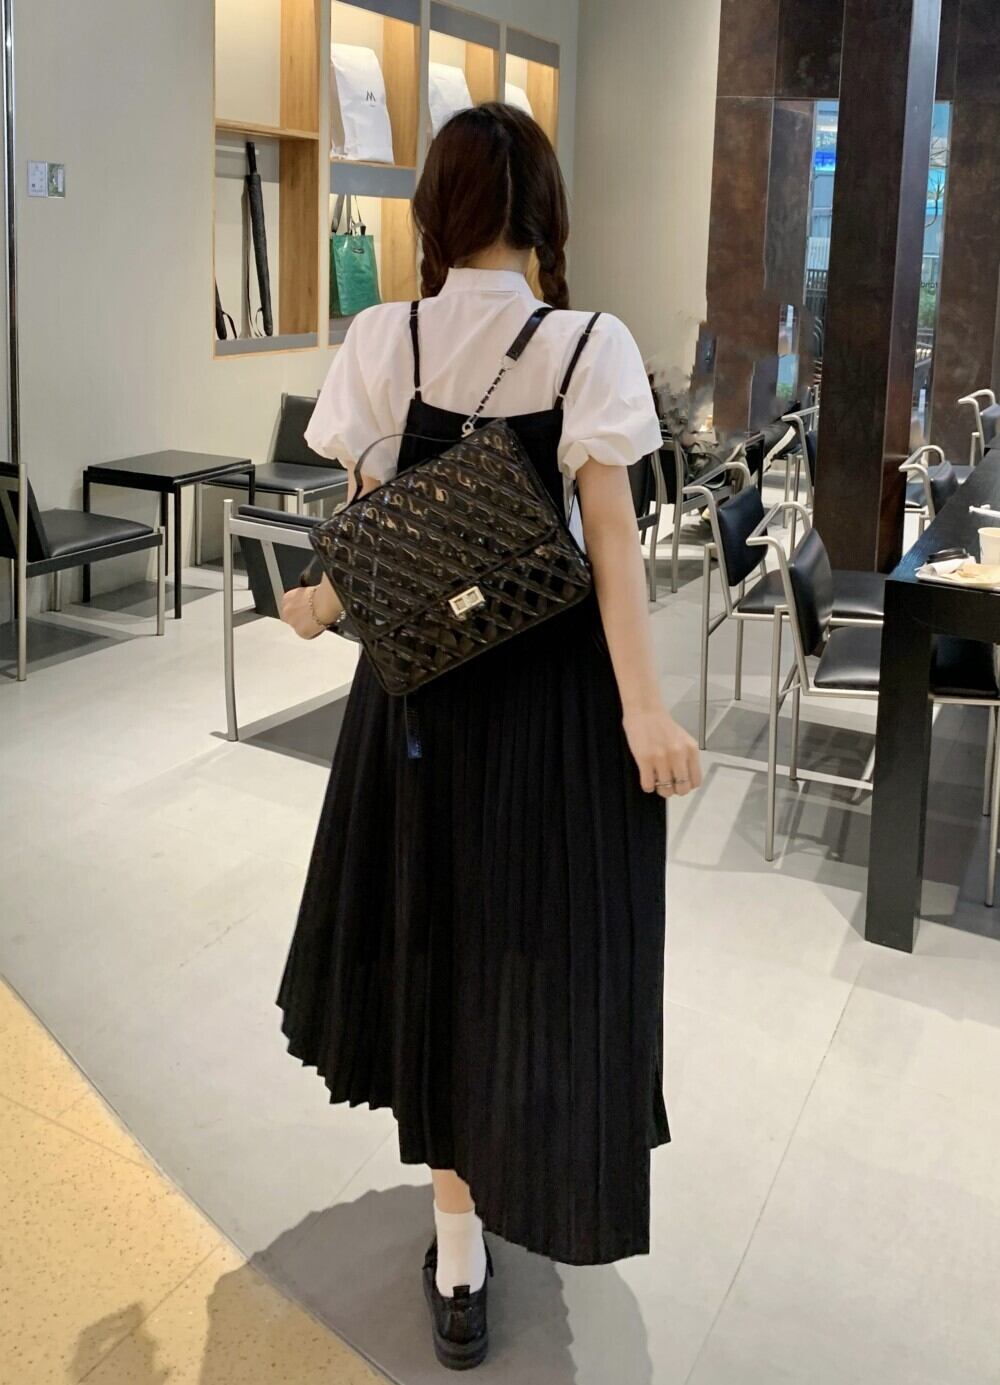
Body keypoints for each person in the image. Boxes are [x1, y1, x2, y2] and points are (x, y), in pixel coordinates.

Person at [278, 102, 702, 1371]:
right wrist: (642, 710)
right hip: (547, 705)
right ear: (543, 217)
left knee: (431, 944)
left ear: (434, 213)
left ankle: (457, 1244)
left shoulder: (381, 337)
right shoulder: (589, 346)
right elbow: (612, 550)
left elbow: (374, 538)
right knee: (533, 952)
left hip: (415, 702)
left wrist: (313, 603)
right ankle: (525, 1167)